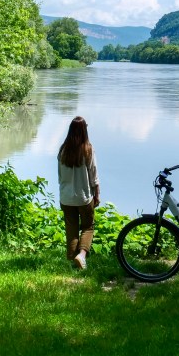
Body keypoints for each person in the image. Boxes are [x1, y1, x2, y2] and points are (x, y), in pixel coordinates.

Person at [58, 115, 100, 270]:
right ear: (84, 131)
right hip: (84, 198)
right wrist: (97, 195)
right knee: (88, 226)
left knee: (71, 229)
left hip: (66, 197)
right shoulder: (88, 149)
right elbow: (93, 175)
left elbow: (60, 176)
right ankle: (81, 256)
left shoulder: (63, 150)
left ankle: (71, 259)